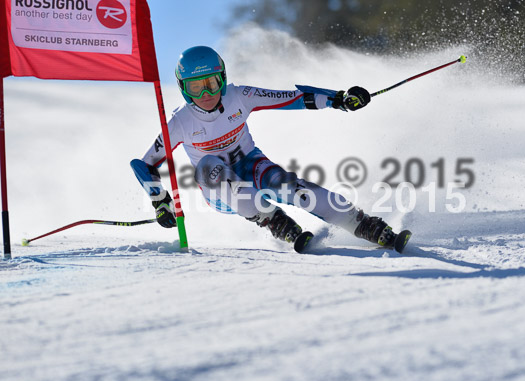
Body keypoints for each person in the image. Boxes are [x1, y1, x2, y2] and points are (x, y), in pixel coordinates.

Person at [131, 46, 403, 250]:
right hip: (218, 190)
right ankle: (274, 220)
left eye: (212, 83)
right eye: (196, 88)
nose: (206, 95)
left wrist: (338, 99)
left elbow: (292, 98)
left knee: (288, 186)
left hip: (252, 165)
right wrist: (160, 201)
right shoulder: (180, 121)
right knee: (209, 167)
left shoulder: (240, 96)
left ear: (222, 79)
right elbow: (144, 164)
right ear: (183, 89)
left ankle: (363, 224)